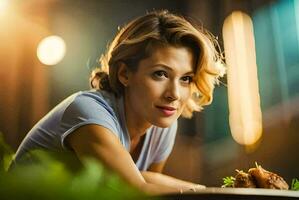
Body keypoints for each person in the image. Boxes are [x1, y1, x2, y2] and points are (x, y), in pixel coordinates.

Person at [12, 10, 225, 195]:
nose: (175, 94)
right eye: (160, 74)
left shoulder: (162, 121)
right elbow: (137, 192)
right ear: (124, 73)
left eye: (185, 78)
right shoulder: (88, 113)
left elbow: (144, 179)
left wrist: (212, 191)